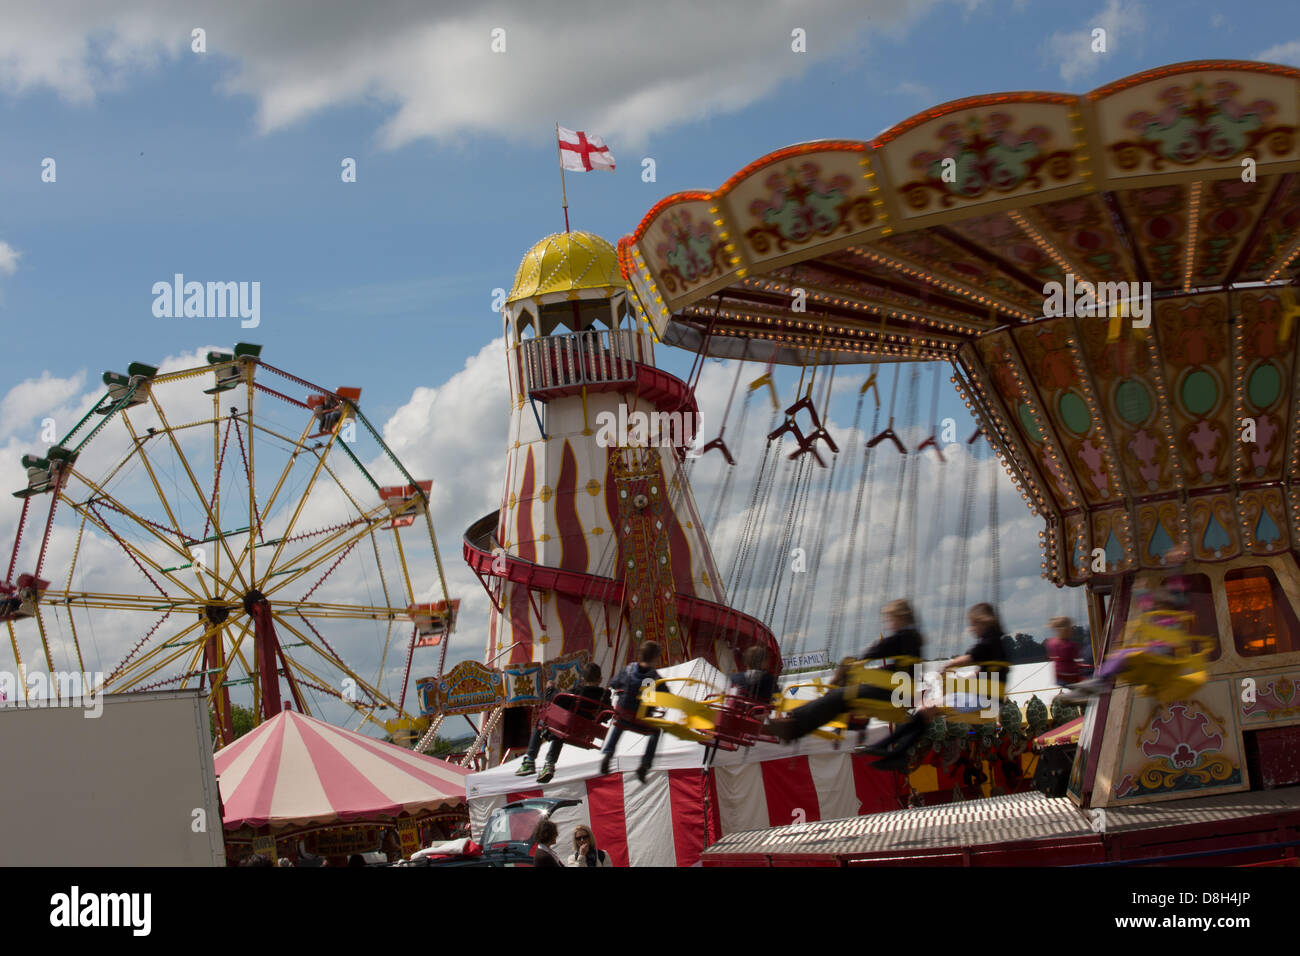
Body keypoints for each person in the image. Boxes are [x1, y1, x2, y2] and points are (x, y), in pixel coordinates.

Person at [860, 602, 1008, 772]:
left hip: (983, 699)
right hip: (989, 697)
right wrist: (963, 679)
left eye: (974, 624)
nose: (972, 629)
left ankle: (892, 749)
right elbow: (986, 672)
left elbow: (967, 659)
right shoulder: (996, 643)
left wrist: (948, 665)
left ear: (983, 622)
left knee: (925, 710)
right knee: (925, 713)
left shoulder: (988, 643)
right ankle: (893, 749)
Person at [768, 598, 924, 741]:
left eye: (890, 619)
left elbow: (876, 650)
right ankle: (795, 724)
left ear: (900, 617)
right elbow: (903, 666)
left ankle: (794, 723)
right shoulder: (913, 639)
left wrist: (860, 661)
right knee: (841, 701)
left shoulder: (904, 637)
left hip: (894, 694)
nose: (888, 624)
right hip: (900, 693)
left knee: (839, 696)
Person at [533, 664, 611, 784]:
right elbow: (608, 714)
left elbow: (555, 702)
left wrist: (550, 689)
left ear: (582, 679)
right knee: (563, 728)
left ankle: (533, 760)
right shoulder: (605, 696)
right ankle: (548, 765)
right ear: (600, 679)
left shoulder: (576, 692)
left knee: (551, 724)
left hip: (569, 729)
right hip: (586, 733)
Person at [600, 641, 665, 783]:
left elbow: (613, 684)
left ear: (640, 655)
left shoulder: (628, 670)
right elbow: (666, 696)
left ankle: (608, 753)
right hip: (641, 719)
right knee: (656, 731)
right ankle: (645, 764)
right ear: (655, 658)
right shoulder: (655, 677)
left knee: (618, 724)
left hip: (624, 714)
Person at [1045, 616, 1083, 687]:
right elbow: (1076, 655)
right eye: (1070, 628)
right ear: (1066, 630)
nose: (1072, 630)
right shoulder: (1070, 645)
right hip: (1070, 676)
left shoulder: (1051, 642)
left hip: (1058, 676)